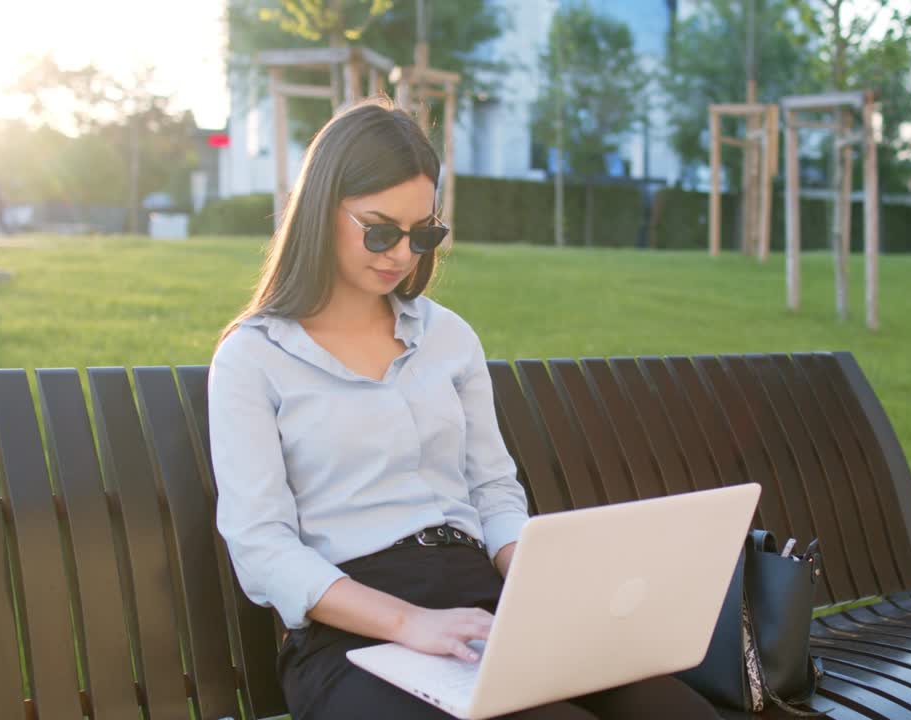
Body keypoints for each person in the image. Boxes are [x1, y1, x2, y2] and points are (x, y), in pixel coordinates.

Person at [208, 97, 720, 720]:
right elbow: (262, 546)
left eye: (423, 234)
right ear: (320, 211)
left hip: (482, 601)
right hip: (353, 630)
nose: (401, 253)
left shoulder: (448, 338)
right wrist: (409, 621)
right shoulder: (254, 358)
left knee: (677, 712)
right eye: (378, 229)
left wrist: (542, 580)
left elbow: (494, 490)